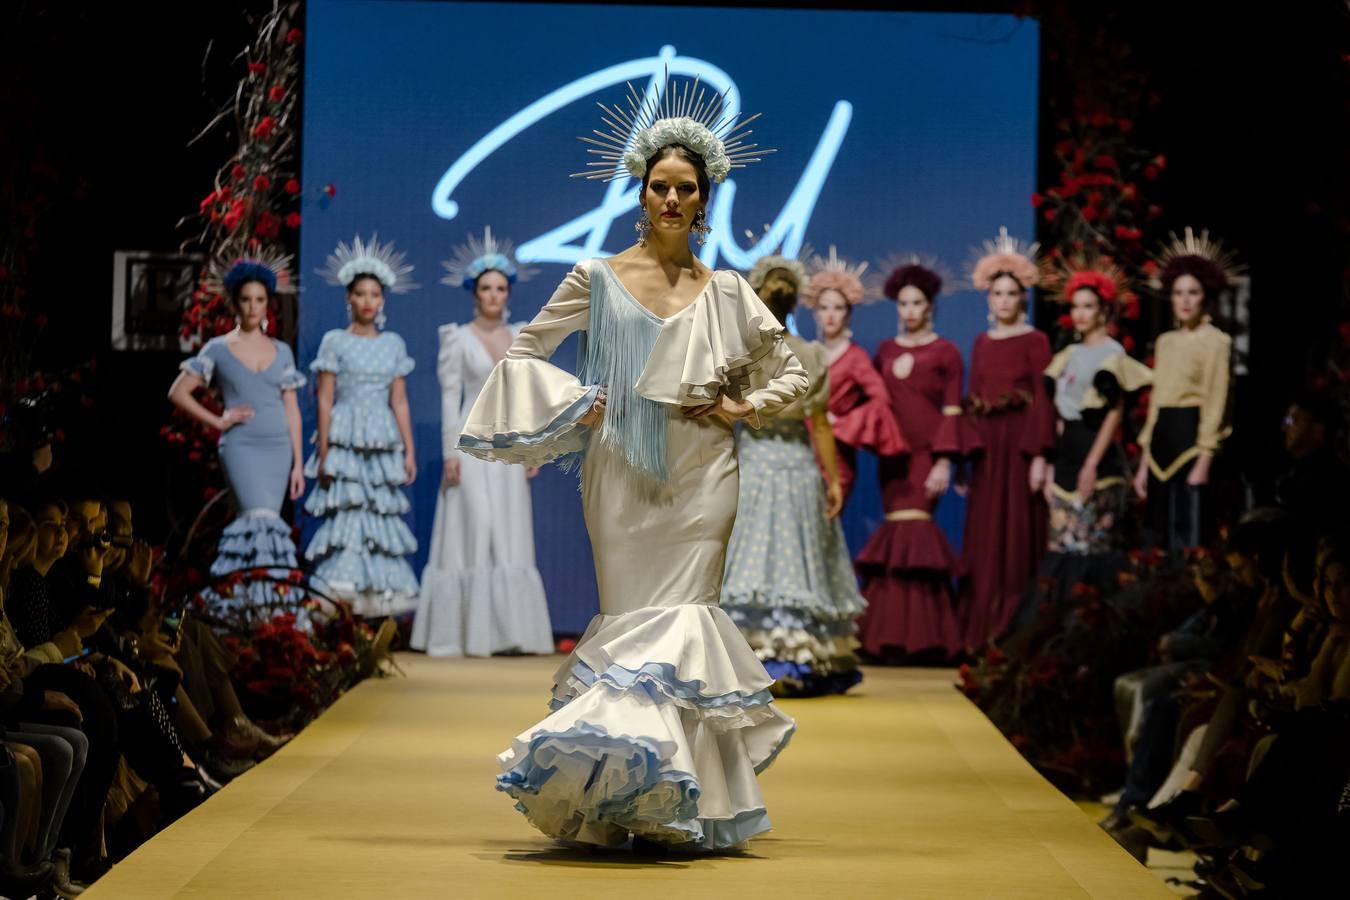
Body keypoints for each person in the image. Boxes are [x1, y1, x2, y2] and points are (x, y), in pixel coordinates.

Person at [458, 78, 807, 850]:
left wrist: (739, 407)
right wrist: (576, 404)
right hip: (620, 473)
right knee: (632, 629)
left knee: (687, 629)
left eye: (687, 188)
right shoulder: (597, 278)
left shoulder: (726, 290)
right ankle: (629, 796)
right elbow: (524, 352)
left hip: (705, 475)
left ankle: (681, 803)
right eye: (660, 187)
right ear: (640, 193)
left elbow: (792, 371)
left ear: (704, 197)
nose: (672, 200)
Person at [721, 251, 863, 697]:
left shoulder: (739, 353)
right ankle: (801, 657)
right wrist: (835, 479)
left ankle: (745, 658)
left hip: (756, 464)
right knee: (796, 560)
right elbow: (819, 423)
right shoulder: (812, 353)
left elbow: (720, 416)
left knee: (753, 559)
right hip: (799, 467)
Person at [412, 228, 552, 657]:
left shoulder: (522, 334)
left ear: (508, 292)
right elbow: (449, 397)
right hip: (471, 444)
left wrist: (535, 446)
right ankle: (463, 635)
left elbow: (529, 394)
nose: (494, 295)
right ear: (474, 292)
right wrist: (448, 452)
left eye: (501, 288)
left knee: (509, 533)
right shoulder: (456, 338)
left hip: (509, 444)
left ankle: (509, 633)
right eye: (487, 288)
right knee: (470, 529)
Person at [168, 250, 306, 609]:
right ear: (235, 303)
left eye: (260, 300)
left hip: (278, 449)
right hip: (241, 446)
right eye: (246, 299)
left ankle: (271, 610)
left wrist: (298, 464)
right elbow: (178, 391)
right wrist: (218, 421)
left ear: (268, 303)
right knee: (254, 521)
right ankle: (245, 609)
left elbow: (292, 410)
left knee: (270, 525)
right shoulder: (218, 349)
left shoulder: (282, 351)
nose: (253, 307)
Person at [856, 260, 973, 662]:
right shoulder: (885, 351)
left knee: (916, 537)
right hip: (894, 459)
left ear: (930, 306)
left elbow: (953, 410)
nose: (909, 310)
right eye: (903, 303)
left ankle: (926, 639)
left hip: (928, 456)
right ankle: (888, 639)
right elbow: (873, 402)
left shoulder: (947, 352)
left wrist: (945, 461)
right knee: (895, 540)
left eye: (917, 302)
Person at [305, 235, 421, 616]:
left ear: (382, 300)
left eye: (375, 294)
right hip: (345, 436)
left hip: (383, 439)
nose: (368, 300)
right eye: (361, 293)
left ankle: (372, 608)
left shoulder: (393, 344)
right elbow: (325, 397)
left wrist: (409, 451)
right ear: (348, 299)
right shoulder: (334, 341)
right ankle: (341, 600)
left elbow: (399, 401)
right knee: (349, 513)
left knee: (377, 517)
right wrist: (323, 451)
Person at [959, 228, 1056, 650]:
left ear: (1023, 299)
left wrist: (1039, 456)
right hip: (986, 452)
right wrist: (965, 460)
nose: (1003, 301)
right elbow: (972, 401)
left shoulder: (1036, 341)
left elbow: (1042, 400)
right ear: (988, 299)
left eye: (1010, 294)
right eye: (996, 294)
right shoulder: (981, 342)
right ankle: (980, 634)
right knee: (984, 540)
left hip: (1017, 447)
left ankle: (1012, 632)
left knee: (1016, 538)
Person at [1036, 262, 1152, 608]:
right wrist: (1055, 460)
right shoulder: (1068, 355)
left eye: (1088, 306)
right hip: (1067, 452)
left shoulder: (1112, 354)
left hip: (1097, 456)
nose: (1081, 314)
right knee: (1060, 546)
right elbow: (1058, 411)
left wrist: (1090, 464)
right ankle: (1054, 632)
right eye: (1076, 306)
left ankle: (1090, 629)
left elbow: (1114, 413)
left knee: (1091, 547)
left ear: (1103, 310)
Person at [1132, 228, 1239, 554]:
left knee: (1190, 537)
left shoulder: (1216, 341)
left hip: (1191, 440)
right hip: (1162, 439)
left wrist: (1205, 459)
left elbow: (1217, 399)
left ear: (1204, 294)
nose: (1185, 300)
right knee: (1159, 539)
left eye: (1192, 292)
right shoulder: (1166, 342)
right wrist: (1143, 463)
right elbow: (1157, 402)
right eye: (1179, 293)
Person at [805, 247, 906, 504]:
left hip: (834, 456)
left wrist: (842, 424)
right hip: (799, 454)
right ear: (815, 312)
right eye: (824, 307)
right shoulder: (806, 354)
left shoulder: (855, 357)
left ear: (848, 314)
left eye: (838, 308)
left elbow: (881, 400)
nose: (830, 315)